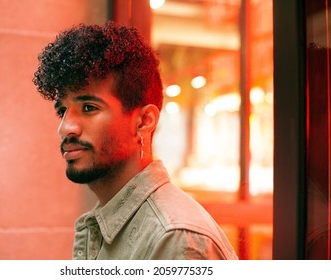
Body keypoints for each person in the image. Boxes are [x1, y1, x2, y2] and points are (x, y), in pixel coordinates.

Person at [33, 21, 238, 260]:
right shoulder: (108, 221)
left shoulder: (173, 238)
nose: (65, 128)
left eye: (88, 107)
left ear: (144, 121)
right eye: (62, 111)